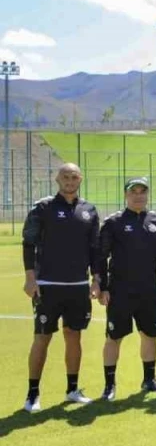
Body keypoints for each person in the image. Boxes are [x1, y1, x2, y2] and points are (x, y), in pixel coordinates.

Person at [21, 163, 100, 411]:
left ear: (80, 179)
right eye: (65, 176)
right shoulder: (43, 208)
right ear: (57, 179)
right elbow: (28, 243)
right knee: (42, 337)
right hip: (47, 285)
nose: (69, 180)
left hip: (78, 285)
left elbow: (95, 249)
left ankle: (72, 390)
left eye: (74, 176)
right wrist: (30, 278)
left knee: (74, 335)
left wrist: (97, 279)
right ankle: (32, 394)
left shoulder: (89, 210)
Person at [94, 177, 156, 401]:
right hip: (120, 291)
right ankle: (109, 385)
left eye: (142, 191)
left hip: (149, 290)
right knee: (114, 337)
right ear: (126, 195)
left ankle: (149, 379)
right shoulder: (113, 222)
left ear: (147, 194)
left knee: (150, 335)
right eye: (133, 192)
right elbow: (101, 256)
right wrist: (103, 286)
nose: (138, 196)